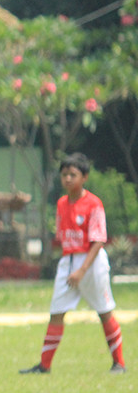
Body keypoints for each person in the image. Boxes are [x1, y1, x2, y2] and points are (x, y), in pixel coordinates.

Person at [21, 153, 126, 374]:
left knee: (104, 311)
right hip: (68, 261)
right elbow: (62, 234)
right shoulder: (61, 203)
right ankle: (44, 365)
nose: (68, 179)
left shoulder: (93, 204)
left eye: (73, 174)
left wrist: (82, 270)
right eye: (64, 174)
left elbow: (98, 241)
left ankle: (119, 363)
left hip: (91, 262)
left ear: (84, 177)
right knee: (57, 312)